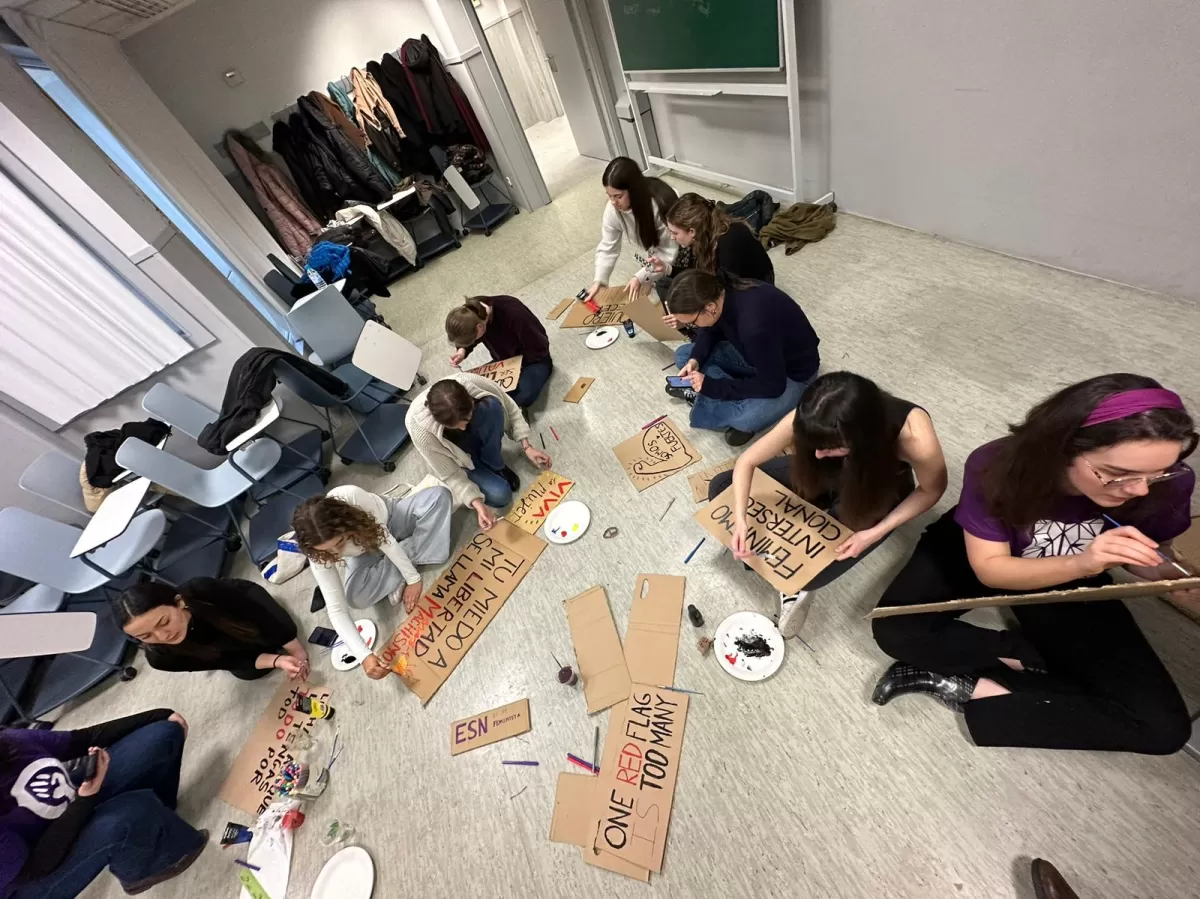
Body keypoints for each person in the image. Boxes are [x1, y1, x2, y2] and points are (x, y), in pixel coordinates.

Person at [871, 374, 1198, 755]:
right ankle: (1031, 656)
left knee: (1162, 730)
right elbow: (991, 569)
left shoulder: (1169, 483)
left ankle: (979, 684)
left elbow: (1152, 555)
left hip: (1070, 576)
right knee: (896, 629)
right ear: (1062, 447)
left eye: (1157, 472)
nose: (1140, 489)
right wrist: (1083, 562)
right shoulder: (998, 464)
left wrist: (1165, 575)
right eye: (1117, 474)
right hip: (987, 552)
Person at [710, 372, 947, 637]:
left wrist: (873, 534)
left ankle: (794, 586)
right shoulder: (814, 417)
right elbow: (746, 462)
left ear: (862, 439)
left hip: (877, 485)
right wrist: (742, 519)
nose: (818, 454)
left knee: (815, 571)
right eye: (814, 445)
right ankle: (773, 550)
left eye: (830, 448)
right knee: (721, 489)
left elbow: (931, 491)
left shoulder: (915, 438)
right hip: (826, 475)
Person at [1, 709, 205, 898]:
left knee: (163, 734)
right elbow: (39, 866)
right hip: (29, 879)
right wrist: (85, 800)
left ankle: (155, 821)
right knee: (129, 813)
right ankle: (144, 867)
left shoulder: (10, 742)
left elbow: (81, 739)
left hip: (63, 809)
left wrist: (158, 715)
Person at [292, 483, 453, 680]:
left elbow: (387, 541)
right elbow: (337, 609)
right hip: (364, 554)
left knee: (439, 497)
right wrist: (364, 656)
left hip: (389, 521)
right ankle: (418, 550)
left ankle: (406, 561)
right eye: (327, 551)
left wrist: (413, 579)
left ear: (343, 523)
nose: (335, 553)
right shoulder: (318, 553)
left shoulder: (350, 497)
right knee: (356, 598)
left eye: (339, 543)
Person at [665, 269, 821, 446]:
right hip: (756, 355)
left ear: (709, 308)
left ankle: (706, 396)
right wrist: (695, 360)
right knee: (684, 355)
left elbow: (773, 386)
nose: (692, 327)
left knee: (746, 420)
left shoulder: (753, 327)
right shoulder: (721, 292)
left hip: (792, 375)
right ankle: (718, 392)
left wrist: (711, 386)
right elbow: (710, 330)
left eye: (691, 323)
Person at [405, 373, 552, 530]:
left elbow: (509, 406)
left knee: (492, 406)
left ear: (470, 400)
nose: (463, 428)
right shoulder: (420, 430)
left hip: (476, 428)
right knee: (501, 495)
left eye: (466, 420)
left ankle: (495, 463)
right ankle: (478, 463)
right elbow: (450, 474)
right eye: (456, 426)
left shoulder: (471, 382)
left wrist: (526, 446)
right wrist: (477, 504)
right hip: (459, 455)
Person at [114, 578, 307, 680]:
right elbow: (224, 661)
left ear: (178, 602)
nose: (164, 635)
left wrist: (296, 651)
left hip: (239, 605)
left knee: (281, 631)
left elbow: (259, 614)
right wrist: (278, 660)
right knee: (251, 672)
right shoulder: (160, 658)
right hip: (214, 638)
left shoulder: (202, 589)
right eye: (146, 636)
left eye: (164, 622)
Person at [584, 157, 679, 304]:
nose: (613, 202)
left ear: (633, 191)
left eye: (618, 196)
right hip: (658, 252)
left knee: (674, 296)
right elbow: (608, 246)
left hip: (683, 251)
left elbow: (669, 251)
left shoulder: (659, 204)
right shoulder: (612, 209)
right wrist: (600, 279)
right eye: (609, 196)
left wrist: (640, 276)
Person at [445, 296, 553, 410]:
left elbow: (540, 346)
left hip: (533, 360)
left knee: (523, 396)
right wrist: (462, 351)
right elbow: (469, 335)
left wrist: (516, 367)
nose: (472, 342)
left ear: (480, 328)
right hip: (504, 360)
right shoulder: (472, 312)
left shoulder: (514, 313)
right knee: (472, 386)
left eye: (471, 340)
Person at [653, 192, 774, 288]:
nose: (672, 237)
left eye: (675, 233)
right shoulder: (701, 236)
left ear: (691, 232)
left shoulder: (728, 243)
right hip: (729, 281)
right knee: (664, 285)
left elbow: (724, 290)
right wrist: (667, 269)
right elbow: (696, 272)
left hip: (755, 286)